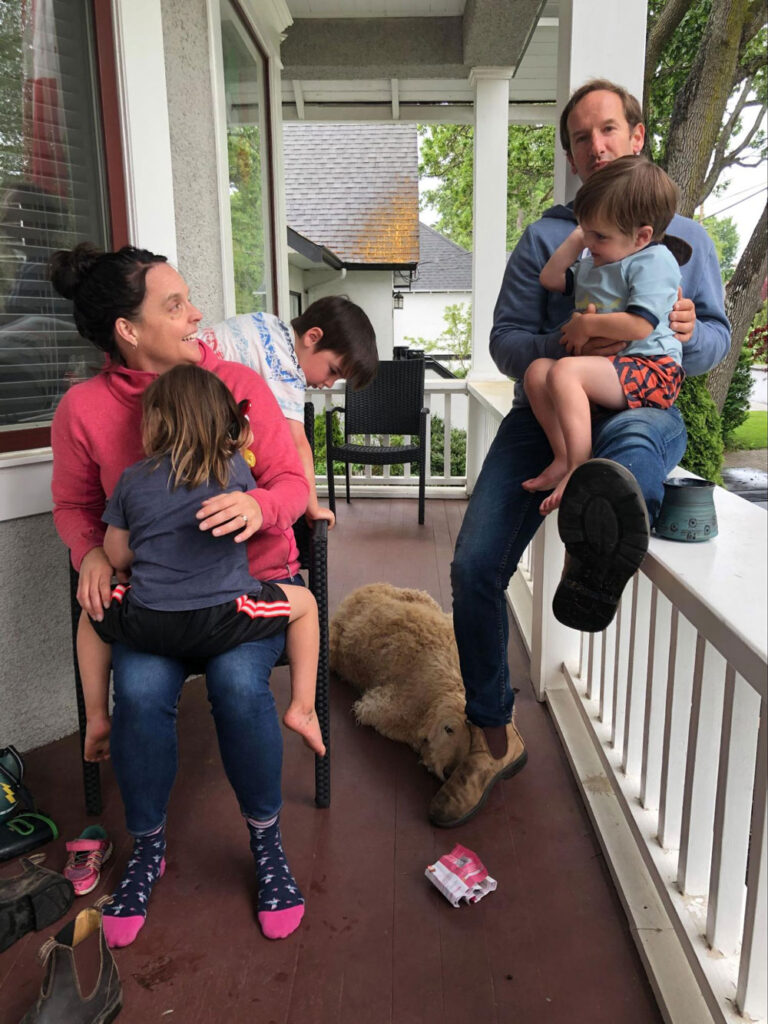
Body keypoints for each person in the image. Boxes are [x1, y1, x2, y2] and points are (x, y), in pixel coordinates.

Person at [429, 79, 730, 829]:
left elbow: (713, 345)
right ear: (569, 155)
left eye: (606, 130)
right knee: (473, 568)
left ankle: (599, 535)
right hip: (546, 413)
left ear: (636, 136)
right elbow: (504, 340)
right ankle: (493, 738)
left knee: (625, 458)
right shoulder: (548, 237)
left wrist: (687, 335)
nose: (593, 146)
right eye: (578, 138)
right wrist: (572, 338)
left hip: (641, 401)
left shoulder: (683, 237)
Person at [50, 242, 311, 949]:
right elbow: (75, 507)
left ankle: (265, 842)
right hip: (157, 599)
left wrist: (261, 509)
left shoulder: (235, 381)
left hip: (245, 590)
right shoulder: (83, 409)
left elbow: (292, 484)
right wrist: (89, 559)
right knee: (135, 690)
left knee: (236, 684)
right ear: (128, 331)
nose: (197, 315)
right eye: (175, 305)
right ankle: (146, 850)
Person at [77, 364, 325, 765]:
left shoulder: (131, 479)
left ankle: (96, 717)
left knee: (91, 610)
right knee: (307, 604)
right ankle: (303, 706)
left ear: (154, 423)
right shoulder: (234, 470)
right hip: (225, 618)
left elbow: (119, 556)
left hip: (149, 620)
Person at [525, 156, 685, 514]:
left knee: (565, 371)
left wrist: (587, 325)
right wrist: (578, 235)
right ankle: (565, 456)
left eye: (600, 235)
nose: (591, 242)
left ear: (642, 236)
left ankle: (581, 468)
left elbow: (640, 325)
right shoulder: (595, 259)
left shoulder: (653, 261)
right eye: (587, 231)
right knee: (537, 371)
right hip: (611, 369)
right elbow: (550, 279)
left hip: (653, 369)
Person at [199, 296, 378, 528]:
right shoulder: (285, 366)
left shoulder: (267, 323)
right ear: (312, 337)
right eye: (332, 371)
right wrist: (312, 508)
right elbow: (297, 443)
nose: (329, 383)